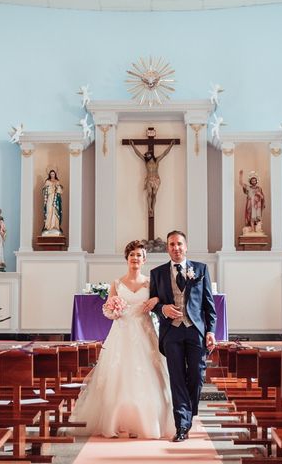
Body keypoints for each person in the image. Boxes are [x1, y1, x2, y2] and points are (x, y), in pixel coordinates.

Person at [68, 240, 174, 439]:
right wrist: (112, 310)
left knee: (147, 376)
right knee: (119, 376)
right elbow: (108, 310)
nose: (135, 258)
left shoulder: (151, 283)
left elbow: (159, 302)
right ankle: (115, 422)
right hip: (122, 332)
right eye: (132, 254)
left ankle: (143, 423)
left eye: (139, 255)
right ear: (127, 258)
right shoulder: (116, 283)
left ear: (144, 259)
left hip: (144, 331)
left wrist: (156, 300)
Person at [147, 230, 217, 442]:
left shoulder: (201, 269)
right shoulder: (157, 273)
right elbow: (153, 302)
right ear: (167, 248)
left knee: (196, 375)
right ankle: (182, 426)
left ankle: (188, 412)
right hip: (172, 332)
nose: (175, 248)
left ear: (186, 246)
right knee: (177, 378)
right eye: (171, 245)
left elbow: (209, 306)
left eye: (179, 244)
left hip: (195, 330)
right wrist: (163, 309)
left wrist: (211, 331)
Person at [129, 139, 176, 217]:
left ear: (151, 155)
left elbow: (165, 153)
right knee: (149, 193)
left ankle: (153, 209)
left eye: (148, 154)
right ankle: (149, 208)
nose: (147, 156)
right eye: (146, 155)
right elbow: (138, 154)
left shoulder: (157, 160)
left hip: (156, 179)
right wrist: (133, 145)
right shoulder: (146, 161)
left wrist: (171, 145)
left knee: (154, 194)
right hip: (149, 179)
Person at [41, 170, 63, 236]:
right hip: (49, 198)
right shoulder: (47, 182)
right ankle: (48, 227)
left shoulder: (57, 181)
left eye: (53, 174)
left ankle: (55, 226)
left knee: (55, 211)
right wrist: (50, 188)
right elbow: (43, 191)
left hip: (56, 199)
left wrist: (58, 187)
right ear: (49, 175)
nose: (52, 175)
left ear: (55, 174)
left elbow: (60, 191)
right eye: (51, 174)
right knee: (49, 211)